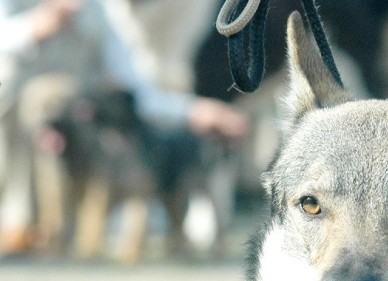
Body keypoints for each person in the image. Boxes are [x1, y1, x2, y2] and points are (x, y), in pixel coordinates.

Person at [0, 0, 248, 254]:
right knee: (38, 101)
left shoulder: (97, 11)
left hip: (78, 118)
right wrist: (34, 27)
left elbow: (136, 90)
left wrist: (194, 111)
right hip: (19, 111)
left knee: (76, 113)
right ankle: (20, 219)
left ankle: (63, 228)